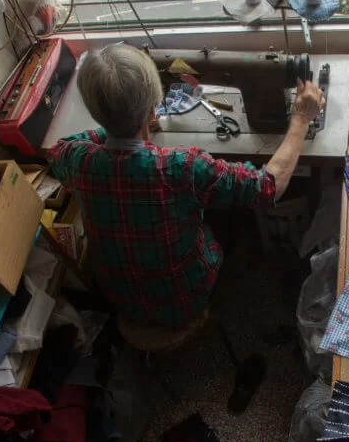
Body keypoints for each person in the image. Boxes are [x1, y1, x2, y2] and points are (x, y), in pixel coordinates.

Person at [48, 43, 325, 335]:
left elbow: (57, 150)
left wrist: (119, 122)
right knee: (228, 214)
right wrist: (300, 119)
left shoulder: (76, 159)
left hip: (121, 299)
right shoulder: (181, 168)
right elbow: (268, 187)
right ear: (153, 102)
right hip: (183, 301)